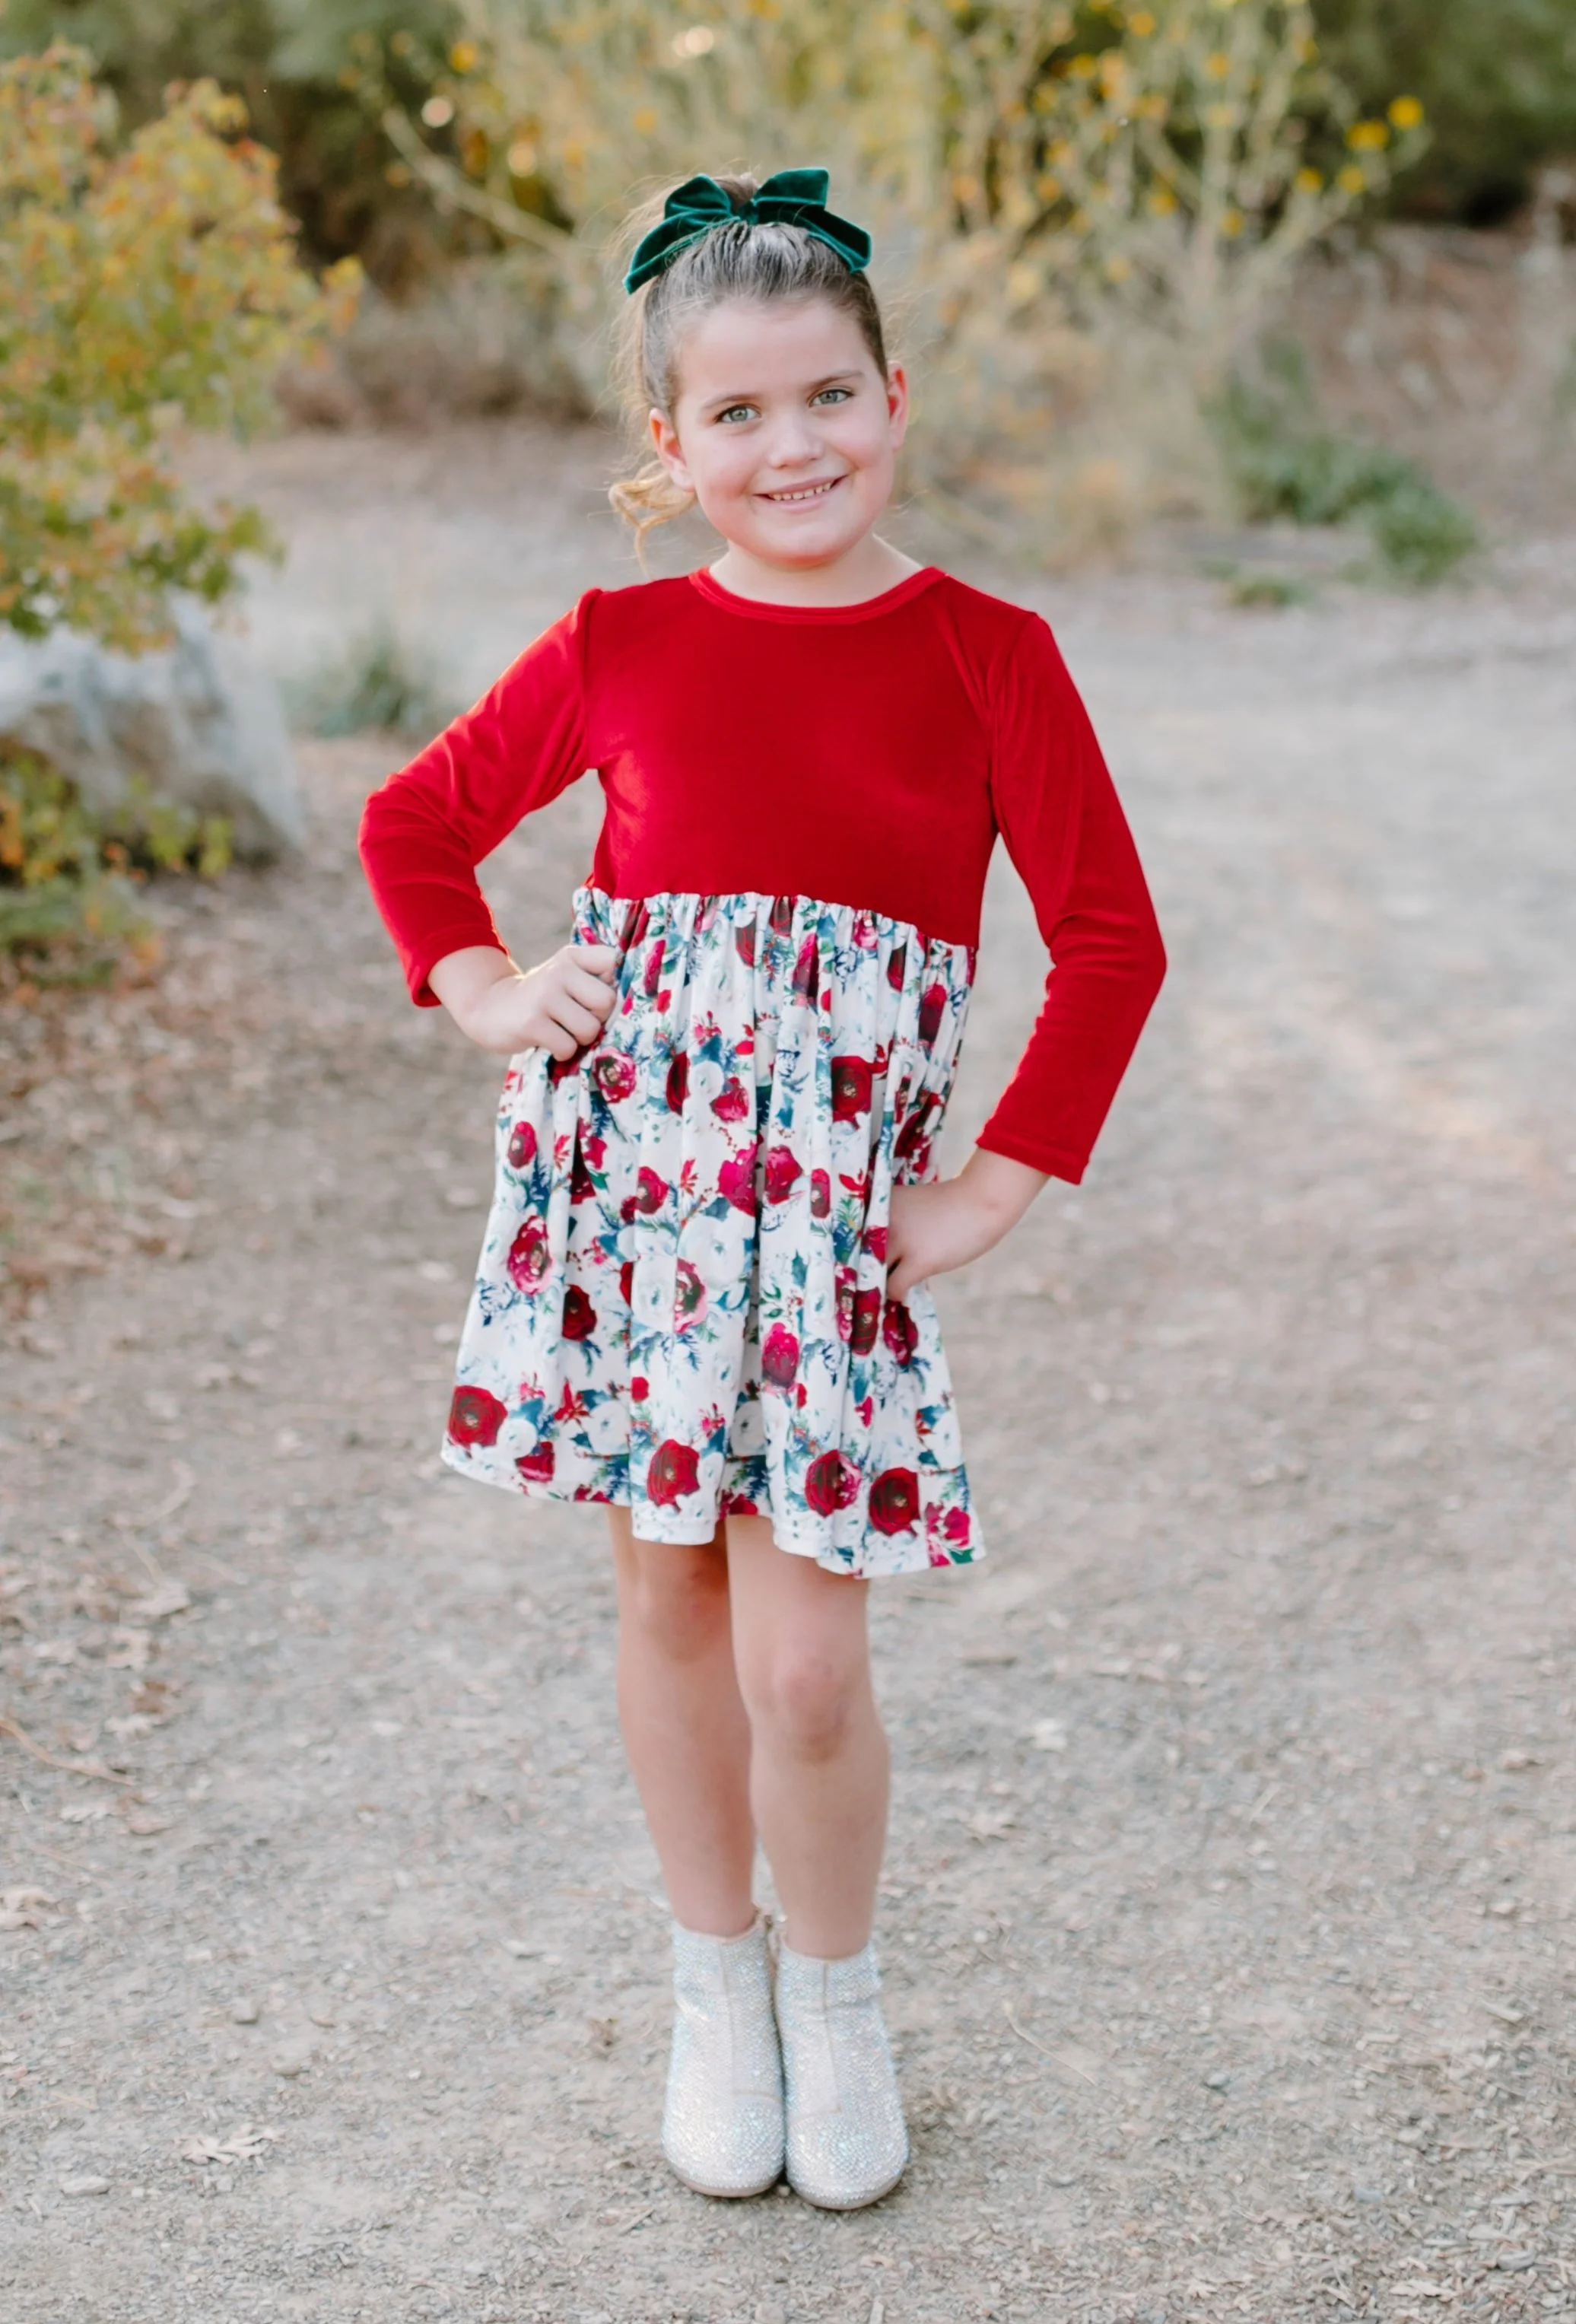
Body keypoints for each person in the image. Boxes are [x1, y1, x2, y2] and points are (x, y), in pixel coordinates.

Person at [359, 167, 1165, 2213]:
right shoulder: (621, 640)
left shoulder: (989, 653)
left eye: (827, 399)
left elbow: (1108, 938)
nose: (788, 447)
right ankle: (715, 1985)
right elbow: (414, 823)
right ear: (669, 446)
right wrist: (482, 985)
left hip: (821, 1239)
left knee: (808, 1660)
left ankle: (840, 1990)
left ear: (896, 397)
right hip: (635, 1200)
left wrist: (994, 1181)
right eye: (736, 415)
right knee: (668, 1591)